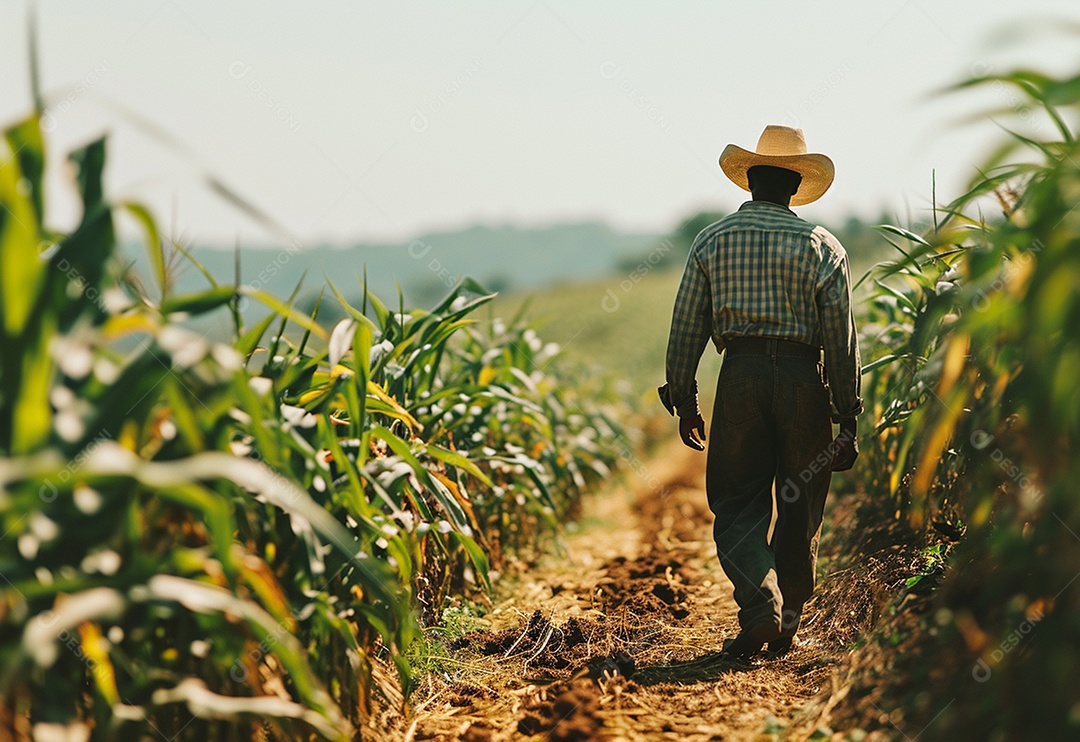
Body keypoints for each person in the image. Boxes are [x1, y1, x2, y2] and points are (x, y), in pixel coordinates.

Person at [661, 124, 862, 660]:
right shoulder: (823, 246)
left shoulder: (712, 240)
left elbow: (687, 326)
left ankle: (760, 605)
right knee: (801, 505)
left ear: (749, 181)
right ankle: (786, 619)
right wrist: (848, 418)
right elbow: (841, 342)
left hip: (741, 376)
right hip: (804, 381)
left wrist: (685, 399)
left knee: (736, 502)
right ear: (796, 187)